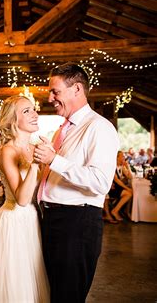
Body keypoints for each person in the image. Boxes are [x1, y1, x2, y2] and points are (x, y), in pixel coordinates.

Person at [34, 63, 119, 303]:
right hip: (53, 220)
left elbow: (101, 182)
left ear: (77, 89)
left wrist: (55, 160)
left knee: (68, 295)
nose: (50, 97)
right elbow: (58, 174)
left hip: (77, 224)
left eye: (55, 91)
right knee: (55, 293)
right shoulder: (63, 129)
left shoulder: (99, 128)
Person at [0, 95, 49, 302]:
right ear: (13, 121)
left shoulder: (34, 148)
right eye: (26, 111)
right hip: (14, 221)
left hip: (32, 219)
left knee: (33, 277)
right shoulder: (7, 151)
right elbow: (22, 199)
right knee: (16, 283)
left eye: (33, 109)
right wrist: (34, 165)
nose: (35, 114)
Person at [103, 151, 133, 223]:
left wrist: (127, 166)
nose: (124, 158)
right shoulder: (112, 166)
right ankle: (115, 211)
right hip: (110, 189)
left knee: (129, 193)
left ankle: (116, 210)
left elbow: (130, 177)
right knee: (129, 193)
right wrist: (127, 188)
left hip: (116, 188)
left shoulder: (121, 167)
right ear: (117, 158)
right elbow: (116, 180)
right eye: (122, 156)